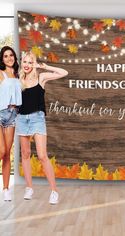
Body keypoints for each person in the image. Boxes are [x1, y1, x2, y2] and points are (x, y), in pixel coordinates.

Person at [16, 51, 68, 204]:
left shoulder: (41, 77)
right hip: (21, 119)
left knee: (42, 155)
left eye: (30, 62)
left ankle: (54, 191)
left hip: (37, 118)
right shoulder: (18, 80)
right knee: (25, 154)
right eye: (25, 62)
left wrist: (45, 66)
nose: (27, 65)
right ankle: (29, 187)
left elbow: (64, 72)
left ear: (34, 64)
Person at [0, 46, 21, 201]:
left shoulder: (18, 75)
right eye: (5, 56)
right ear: (2, 59)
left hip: (13, 115)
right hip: (0, 113)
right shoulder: (0, 74)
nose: (9, 58)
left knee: (7, 153)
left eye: (11, 55)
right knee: (1, 151)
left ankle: (6, 189)